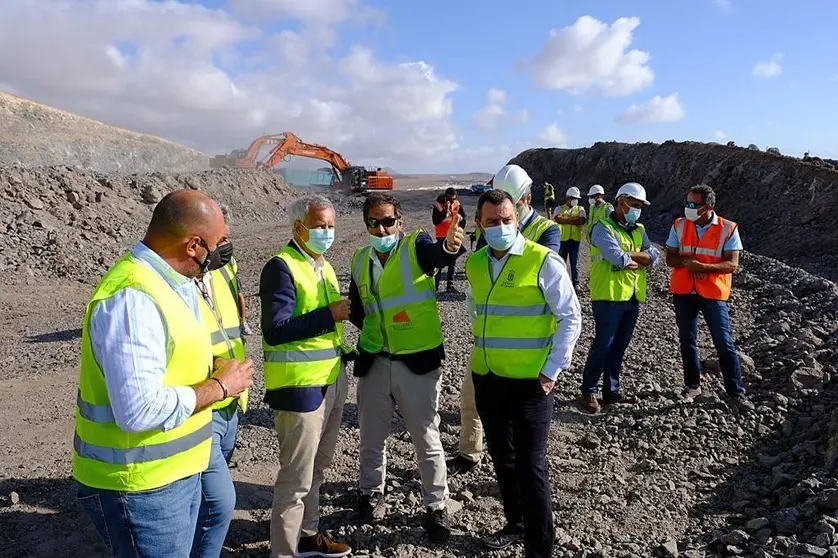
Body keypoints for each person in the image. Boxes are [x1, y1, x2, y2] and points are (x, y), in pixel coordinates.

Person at [73, 189, 254, 557]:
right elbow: (138, 410)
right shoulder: (133, 299)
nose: (222, 252)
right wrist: (220, 386)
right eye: (218, 243)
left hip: (174, 473)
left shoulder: (174, 283)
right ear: (193, 246)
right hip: (141, 487)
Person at [467, 189, 582, 557]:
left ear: (517, 218)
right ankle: (514, 523)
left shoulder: (543, 261)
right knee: (503, 458)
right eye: (491, 222)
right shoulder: (475, 263)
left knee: (532, 467)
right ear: (479, 224)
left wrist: (552, 369)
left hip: (533, 384)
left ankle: (540, 547)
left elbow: (570, 317)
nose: (499, 226)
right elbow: (476, 309)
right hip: (488, 378)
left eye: (506, 220)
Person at [348, 192, 464, 543]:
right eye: (374, 222)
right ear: (366, 224)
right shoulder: (359, 259)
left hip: (417, 363)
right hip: (376, 361)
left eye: (388, 221)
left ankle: (436, 506)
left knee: (426, 437)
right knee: (371, 436)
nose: (381, 227)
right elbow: (357, 308)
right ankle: (370, 493)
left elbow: (438, 254)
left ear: (400, 223)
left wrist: (450, 247)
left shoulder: (415, 245)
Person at [448, 163, 560, 477]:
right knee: (471, 398)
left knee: (524, 429)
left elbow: (539, 281)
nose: (504, 210)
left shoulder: (546, 231)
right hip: (490, 338)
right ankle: (471, 452)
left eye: (512, 202)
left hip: (527, 348)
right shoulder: (491, 229)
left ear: (526, 197)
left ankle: (523, 475)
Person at [259, 195, 353, 558]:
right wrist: (330, 314)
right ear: (298, 227)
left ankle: (308, 535)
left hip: (329, 381)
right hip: (299, 388)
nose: (326, 232)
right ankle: (283, 551)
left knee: (318, 468)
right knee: (295, 477)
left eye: (330, 226)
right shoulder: (281, 267)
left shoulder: (323, 266)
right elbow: (276, 330)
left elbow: (330, 327)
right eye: (319, 226)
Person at [192, 225, 249, 557]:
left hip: (232, 401)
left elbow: (235, 315)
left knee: (204, 496)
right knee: (219, 503)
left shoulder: (225, 268)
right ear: (195, 244)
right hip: (201, 404)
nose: (227, 246)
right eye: (221, 240)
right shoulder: (172, 281)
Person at [581, 182, 659, 413]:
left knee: (620, 346)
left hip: (632, 296)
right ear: (622, 203)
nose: (638, 210)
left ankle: (611, 391)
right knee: (603, 344)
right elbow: (618, 259)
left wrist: (635, 256)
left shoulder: (639, 229)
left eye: (641, 207)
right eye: (635, 205)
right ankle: (589, 390)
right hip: (608, 296)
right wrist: (635, 257)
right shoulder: (602, 228)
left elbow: (655, 258)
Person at [665, 184, 746, 402]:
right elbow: (670, 258)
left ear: (707, 206)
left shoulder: (728, 228)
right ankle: (692, 386)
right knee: (687, 341)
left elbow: (732, 264)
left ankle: (735, 391)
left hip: (713, 293)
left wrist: (703, 268)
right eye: (687, 203)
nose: (688, 208)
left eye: (693, 204)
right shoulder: (679, 225)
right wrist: (686, 263)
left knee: (723, 341)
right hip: (683, 292)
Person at [432, 187, 467, 292]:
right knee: (439, 263)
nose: (451, 201)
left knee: (452, 262)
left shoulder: (457, 204)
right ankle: (435, 286)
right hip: (442, 236)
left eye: (453, 199)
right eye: (450, 199)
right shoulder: (438, 205)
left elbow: (463, 218)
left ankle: (450, 286)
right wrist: (445, 211)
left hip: (453, 235)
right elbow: (436, 221)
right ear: (445, 196)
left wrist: (461, 221)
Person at [553, 187, 587, 288]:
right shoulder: (559, 208)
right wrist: (573, 219)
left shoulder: (580, 209)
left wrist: (566, 219)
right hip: (563, 240)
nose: (576, 200)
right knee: (561, 262)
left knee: (575, 264)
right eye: (573, 198)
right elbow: (558, 220)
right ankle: (561, 282)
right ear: (568, 198)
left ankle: (575, 283)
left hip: (575, 240)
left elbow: (581, 221)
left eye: (577, 198)